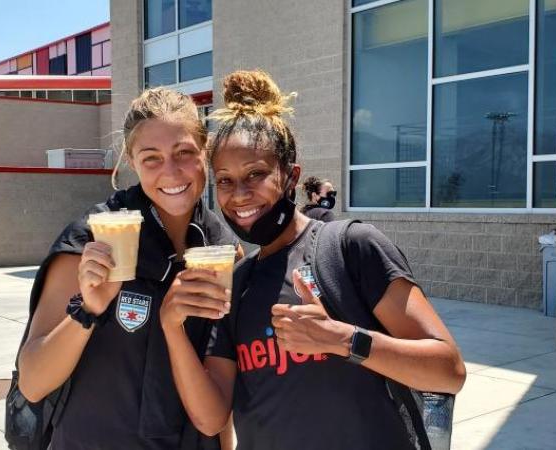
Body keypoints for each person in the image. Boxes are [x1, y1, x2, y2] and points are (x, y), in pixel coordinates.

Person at [159, 70, 466, 450]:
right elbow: (211, 417)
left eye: (256, 175)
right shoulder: (236, 283)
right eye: (224, 180)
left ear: (290, 176)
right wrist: (172, 329)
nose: (239, 195)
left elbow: (448, 371)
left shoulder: (352, 247)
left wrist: (342, 339)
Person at [16, 87, 240, 450]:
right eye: (151, 158)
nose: (171, 171)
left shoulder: (223, 249)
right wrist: (87, 310)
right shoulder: (95, 240)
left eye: (184, 152)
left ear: (205, 152)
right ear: (132, 162)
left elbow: (221, 389)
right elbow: (33, 382)